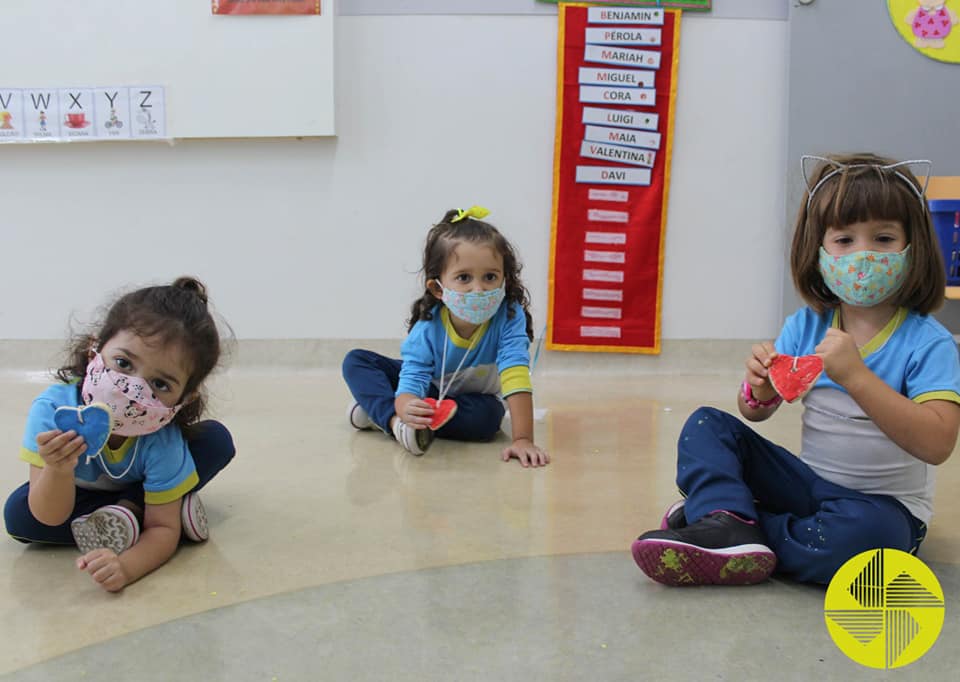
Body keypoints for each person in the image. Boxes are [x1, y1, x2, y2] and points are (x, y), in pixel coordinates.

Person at [631, 153, 960, 586]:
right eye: (844, 240)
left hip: (884, 510)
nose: (863, 256)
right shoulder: (807, 325)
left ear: (912, 247)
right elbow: (756, 412)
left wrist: (857, 378)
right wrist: (759, 390)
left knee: (868, 543)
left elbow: (938, 443)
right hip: (808, 488)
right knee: (705, 425)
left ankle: (738, 526)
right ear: (819, 250)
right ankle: (726, 520)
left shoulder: (928, 342)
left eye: (883, 239)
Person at [4, 277, 236, 592]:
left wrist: (127, 566)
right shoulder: (54, 411)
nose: (134, 388)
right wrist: (58, 469)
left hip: (138, 486)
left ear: (185, 398)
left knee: (214, 440)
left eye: (161, 384)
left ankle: (132, 510)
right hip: (77, 496)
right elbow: (49, 514)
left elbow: (162, 530)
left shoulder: (161, 437)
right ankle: (152, 506)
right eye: (123, 363)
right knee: (20, 514)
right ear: (94, 350)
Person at [343, 206, 549, 467]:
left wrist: (523, 439)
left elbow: (514, 371)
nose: (478, 288)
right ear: (437, 288)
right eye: (464, 277)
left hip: (473, 400)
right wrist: (405, 406)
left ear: (504, 279)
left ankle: (374, 412)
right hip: (431, 387)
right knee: (357, 361)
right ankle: (394, 422)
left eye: (490, 277)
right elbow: (413, 377)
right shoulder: (428, 327)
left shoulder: (508, 315)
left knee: (488, 420)